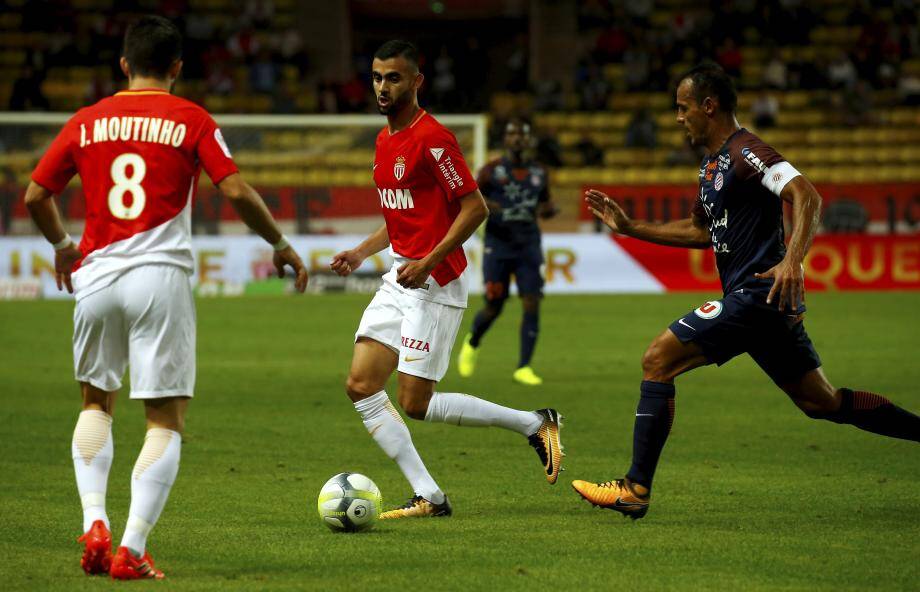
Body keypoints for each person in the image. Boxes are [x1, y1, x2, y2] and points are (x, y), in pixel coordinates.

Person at [24, 16, 307, 578]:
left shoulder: (86, 121)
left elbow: (36, 193)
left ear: (124, 65)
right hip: (159, 277)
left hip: (96, 276)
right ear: (177, 67)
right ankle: (131, 548)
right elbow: (236, 190)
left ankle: (94, 522)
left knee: (94, 401)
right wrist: (278, 243)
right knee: (164, 418)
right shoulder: (191, 118)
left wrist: (61, 245)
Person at [572, 62, 920, 519]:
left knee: (658, 360)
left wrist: (792, 260)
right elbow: (701, 232)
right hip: (766, 305)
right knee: (821, 402)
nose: (678, 118)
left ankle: (635, 488)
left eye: (683, 108)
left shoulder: (746, 152)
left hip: (756, 294)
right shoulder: (712, 166)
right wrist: (631, 226)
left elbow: (806, 195)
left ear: (709, 106)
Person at [331, 40, 563, 519]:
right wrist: (360, 251)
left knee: (415, 403)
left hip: (435, 284)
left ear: (416, 82)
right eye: (376, 77)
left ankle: (534, 423)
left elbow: (475, 207)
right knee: (360, 383)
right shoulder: (383, 140)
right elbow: (401, 216)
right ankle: (430, 498)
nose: (382, 87)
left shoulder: (433, 138)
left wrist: (430, 260)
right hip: (401, 278)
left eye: (393, 78)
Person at [456, 119, 558, 386]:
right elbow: (472, 198)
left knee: (532, 301)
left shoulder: (539, 172)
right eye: (512, 133)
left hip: (528, 245)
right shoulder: (491, 171)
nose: (517, 139)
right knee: (494, 304)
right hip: (498, 244)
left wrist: (548, 209)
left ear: (529, 140)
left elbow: (546, 201)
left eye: (522, 134)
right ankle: (473, 341)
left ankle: (524, 366)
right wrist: (493, 206)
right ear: (506, 139)